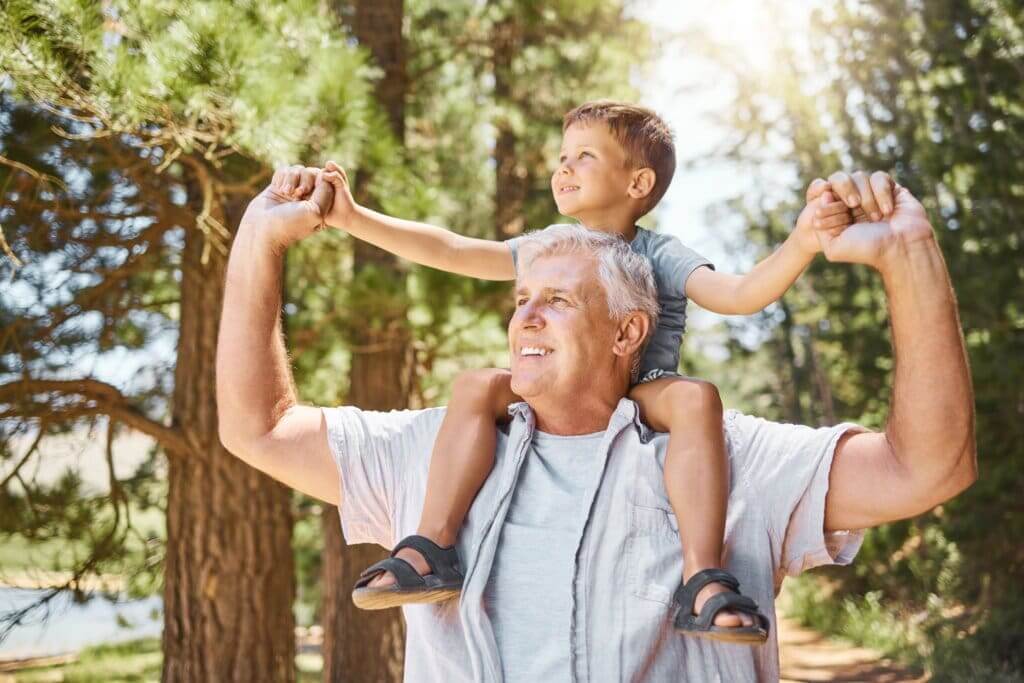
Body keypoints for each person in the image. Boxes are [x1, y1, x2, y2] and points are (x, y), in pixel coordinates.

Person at [216, 168, 976, 681]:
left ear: (626, 333)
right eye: (520, 300)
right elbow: (258, 426)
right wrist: (259, 239)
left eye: (558, 301)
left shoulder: (724, 454)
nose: (526, 317)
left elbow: (929, 466)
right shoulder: (438, 445)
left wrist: (908, 254)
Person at [268, 101, 856, 642]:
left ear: (638, 183)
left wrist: (804, 241)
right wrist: (353, 217)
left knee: (696, 398)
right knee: (476, 385)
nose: (564, 168)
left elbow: (740, 294)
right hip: (556, 389)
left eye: (584, 156)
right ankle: (431, 548)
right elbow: (451, 249)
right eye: (562, 157)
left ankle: (702, 576)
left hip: (639, 390)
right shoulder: (549, 244)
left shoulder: (661, 253)